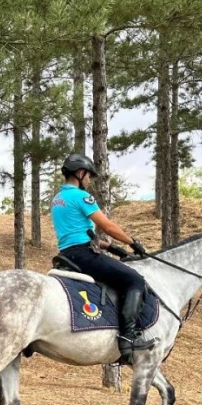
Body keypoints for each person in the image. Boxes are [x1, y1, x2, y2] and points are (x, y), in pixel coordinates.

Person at [49, 153, 155, 357]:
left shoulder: (58, 199)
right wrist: (132, 242)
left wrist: (113, 249)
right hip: (84, 254)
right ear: (80, 173)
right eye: (88, 176)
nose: (88, 180)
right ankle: (128, 337)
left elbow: (80, 233)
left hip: (68, 253)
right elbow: (106, 225)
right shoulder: (80, 196)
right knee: (135, 280)